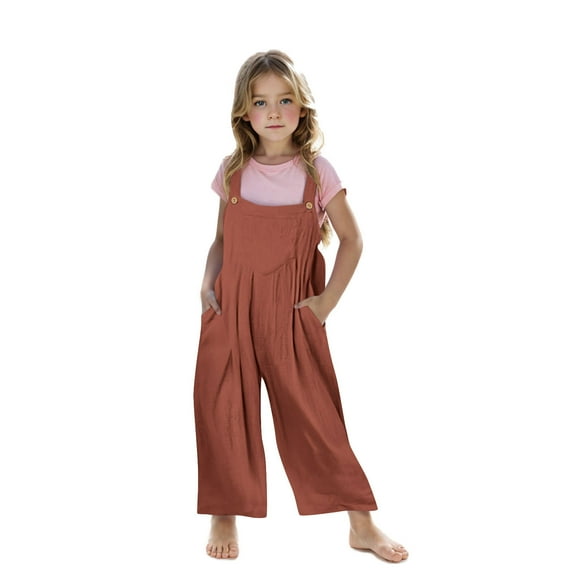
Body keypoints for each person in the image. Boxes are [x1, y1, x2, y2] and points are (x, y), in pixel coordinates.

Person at [193, 49, 408, 563]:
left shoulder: (317, 172)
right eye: (260, 101)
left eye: (284, 100)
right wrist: (206, 285)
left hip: (291, 315)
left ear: (302, 107)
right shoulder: (233, 171)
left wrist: (324, 304)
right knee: (221, 408)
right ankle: (224, 511)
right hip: (231, 308)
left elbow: (353, 240)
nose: (273, 111)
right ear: (244, 112)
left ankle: (361, 524)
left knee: (317, 416)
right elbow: (221, 238)